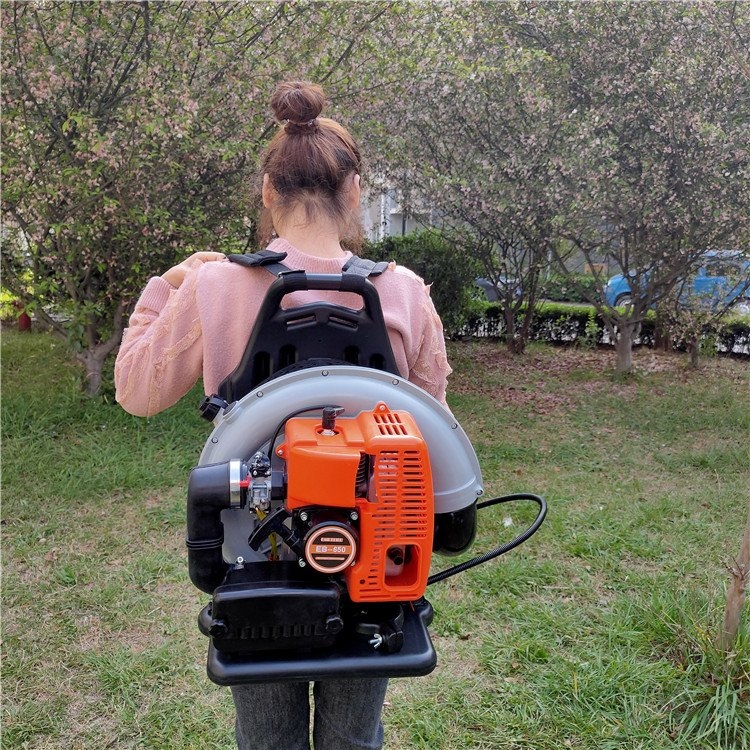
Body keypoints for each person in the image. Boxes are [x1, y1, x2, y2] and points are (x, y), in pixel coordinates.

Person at [115, 80, 452, 750]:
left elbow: (136, 391)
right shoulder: (405, 292)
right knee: (355, 737)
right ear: (354, 192)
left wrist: (166, 285)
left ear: (268, 191)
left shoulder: (216, 283)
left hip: (252, 545)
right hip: (378, 543)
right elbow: (434, 427)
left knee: (266, 738)